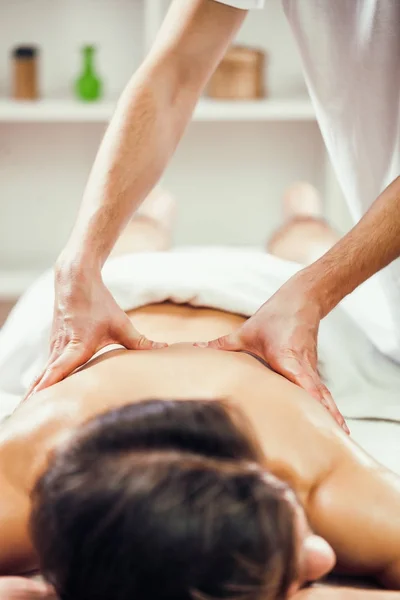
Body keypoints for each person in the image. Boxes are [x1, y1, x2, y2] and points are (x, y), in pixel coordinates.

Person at [1, 201, 400, 600]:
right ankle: (181, 211)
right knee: (299, 245)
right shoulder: (320, 480)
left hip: (250, 300)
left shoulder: (27, 490)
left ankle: (293, 209)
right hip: (129, 304)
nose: (323, 561)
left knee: (309, 249)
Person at [28, 0, 400, 426]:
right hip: (264, 291)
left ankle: (277, 211)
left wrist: (316, 292)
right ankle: (290, 211)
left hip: (282, 291)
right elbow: (173, 73)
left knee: (146, 249)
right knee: (304, 244)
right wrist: (80, 261)